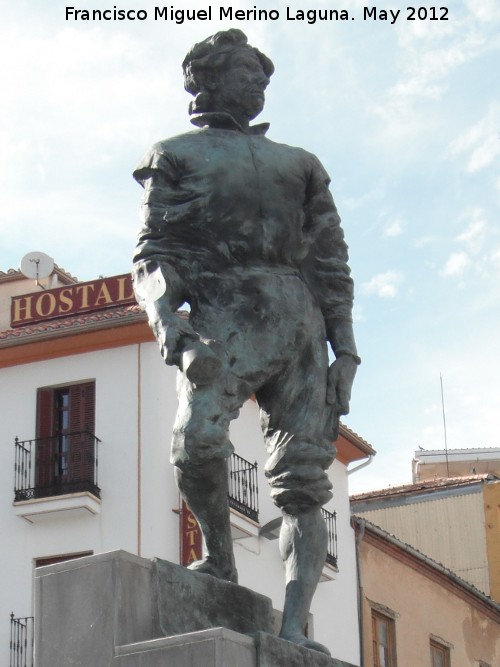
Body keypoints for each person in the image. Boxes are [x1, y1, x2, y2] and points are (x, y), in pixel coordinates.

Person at [132, 29, 359, 655]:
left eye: (263, 76)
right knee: (195, 443)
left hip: (299, 322)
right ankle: (219, 559)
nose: (259, 84)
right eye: (245, 72)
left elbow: (332, 263)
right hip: (223, 311)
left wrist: (348, 351)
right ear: (208, 80)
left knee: (303, 483)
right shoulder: (174, 154)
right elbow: (155, 256)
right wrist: (170, 328)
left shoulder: (302, 164)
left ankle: (293, 629)